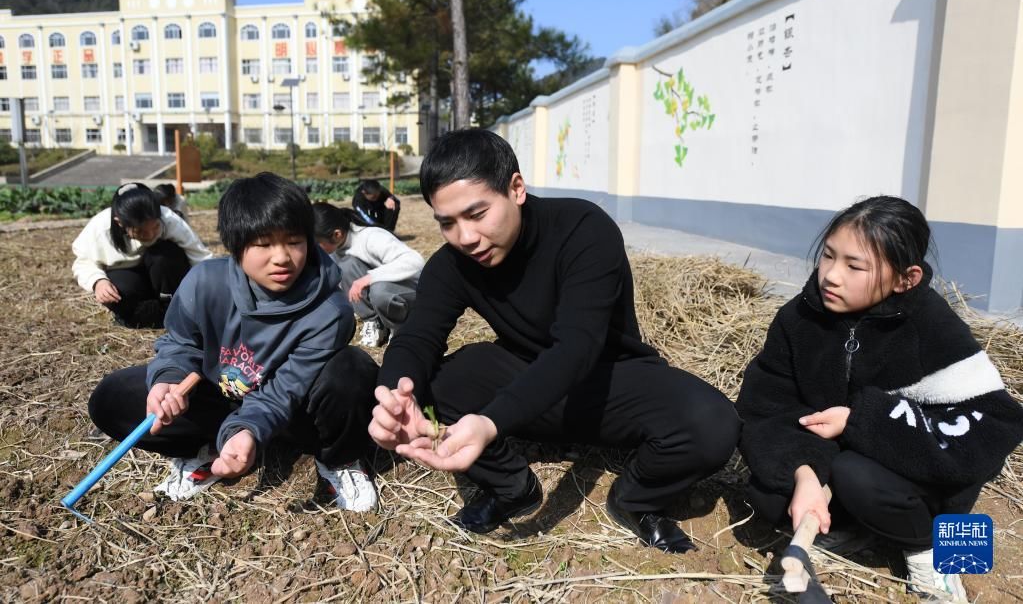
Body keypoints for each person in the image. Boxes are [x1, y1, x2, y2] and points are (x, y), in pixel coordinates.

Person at [368, 129, 740, 552]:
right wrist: (394, 396)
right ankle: (510, 486)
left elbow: (577, 346)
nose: (465, 237)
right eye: (447, 223)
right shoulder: (453, 264)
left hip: (608, 385)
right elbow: (417, 337)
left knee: (713, 424)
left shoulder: (582, 228)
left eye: (477, 213)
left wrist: (491, 422)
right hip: (528, 379)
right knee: (431, 387)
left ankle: (635, 499)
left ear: (516, 188)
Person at [735, 196, 1023, 601]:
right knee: (769, 496)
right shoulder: (798, 319)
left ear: (905, 279)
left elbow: (993, 427)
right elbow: (766, 406)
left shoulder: (932, 328)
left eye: (855, 266)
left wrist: (860, 420)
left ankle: (928, 552)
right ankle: (859, 529)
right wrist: (804, 474)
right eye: (828, 256)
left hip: (917, 478)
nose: (831, 276)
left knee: (858, 475)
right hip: (835, 457)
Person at [88, 173, 379, 511]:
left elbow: (285, 388)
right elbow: (181, 343)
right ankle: (208, 449)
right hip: (220, 396)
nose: (282, 257)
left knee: (352, 371)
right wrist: (168, 378)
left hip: (290, 412)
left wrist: (249, 429)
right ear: (236, 243)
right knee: (112, 398)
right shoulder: (204, 282)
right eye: (263, 243)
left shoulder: (330, 310)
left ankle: (338, 459)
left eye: (294, 241)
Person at [72, 182, 212, 328]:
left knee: (165, 255)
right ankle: (154, 317)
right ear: (119, 223)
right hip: (132, 283)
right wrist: (98, 282)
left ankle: (176, 308)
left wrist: (211, 291)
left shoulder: (168, 218)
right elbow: (83, 261)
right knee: (115, 292)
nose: (150, 235)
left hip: (166, 281)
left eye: (156, 227)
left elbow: (198, 255)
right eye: (141, 231)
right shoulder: (100, 228)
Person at [313, 202, 424, 348]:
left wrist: (369, 278)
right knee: (347, 264)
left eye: (317, 243)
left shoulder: (371, 237)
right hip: (383, 295)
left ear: (337, 234)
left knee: (379, 290)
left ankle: (400, 329)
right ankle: (375, 323)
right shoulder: (337, 249)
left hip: (410, 294)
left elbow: (416, 262)